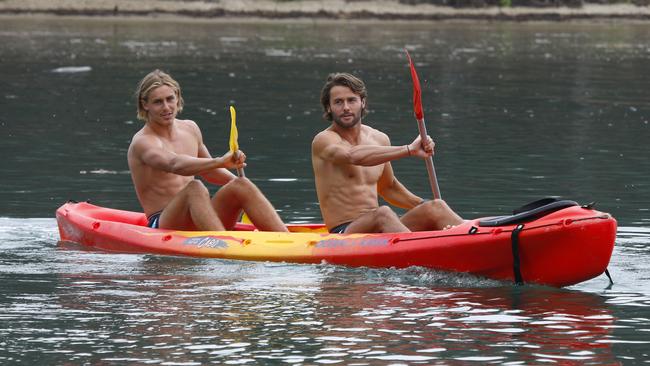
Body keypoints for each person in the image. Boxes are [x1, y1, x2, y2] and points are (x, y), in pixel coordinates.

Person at [127, 69, 287, 232]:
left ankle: (287, 241)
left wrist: (244, 190)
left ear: (177, 97)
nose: (166, 107)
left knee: (241, 184)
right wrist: (220, 161)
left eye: (170, 99)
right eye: (158, 102)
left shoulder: (190, 128)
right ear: (145, 104)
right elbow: (175, 164)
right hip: (164, 223)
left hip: (198, 215)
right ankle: (224, 246)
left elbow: (210, 172)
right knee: (195, 188)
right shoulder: (143, 142)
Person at [311, 72, 463, 234]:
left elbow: (389, 187)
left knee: (436, 206)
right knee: (383, 213)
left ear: (362, 102)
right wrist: (409, 150)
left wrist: (424, 205)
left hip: (379, 228)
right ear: (329, 107)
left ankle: (470, 237)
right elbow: (352, 156)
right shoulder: (323, 140)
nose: (346, 107)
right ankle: (420, 252)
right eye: (338, 102)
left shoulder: (379, 139)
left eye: (352, 100)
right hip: (344, 233)